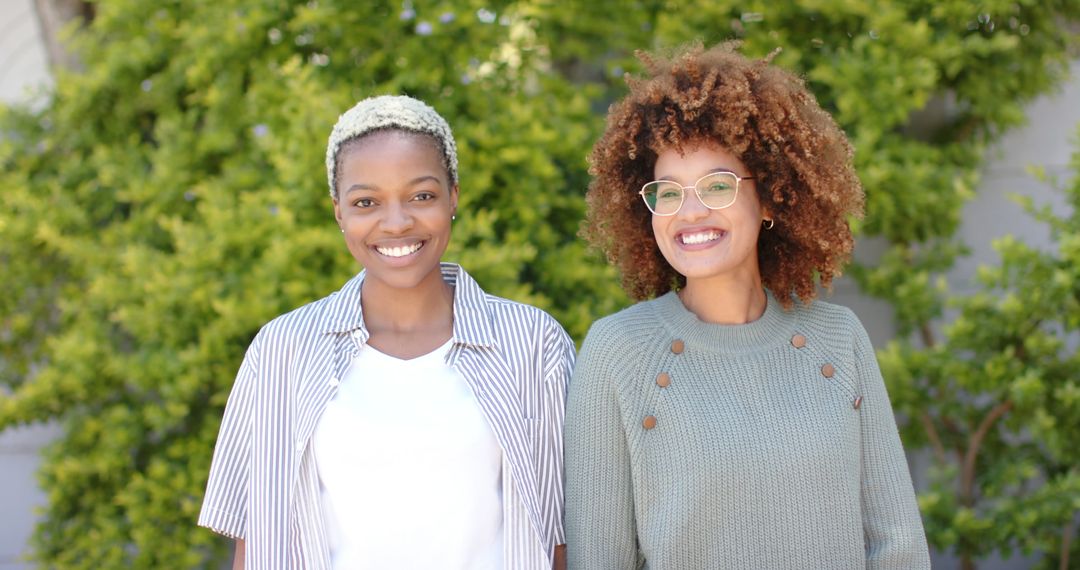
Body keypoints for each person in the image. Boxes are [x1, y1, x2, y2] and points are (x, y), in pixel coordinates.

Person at [564, 42, 931, 569]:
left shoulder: (837, 338)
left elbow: (897, 546)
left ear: (771, 198)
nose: (688, 212)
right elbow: (599, 559)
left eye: (717, 187)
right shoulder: (618, 351)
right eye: (667, 193)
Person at [199, 95, 572, 569]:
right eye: (366, 202)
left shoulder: (532, 344)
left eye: (421, 196)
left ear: (453, 196)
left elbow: (562, 539)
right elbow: (254, 543)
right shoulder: (282, 351)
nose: (396, 223)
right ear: (339, 212)